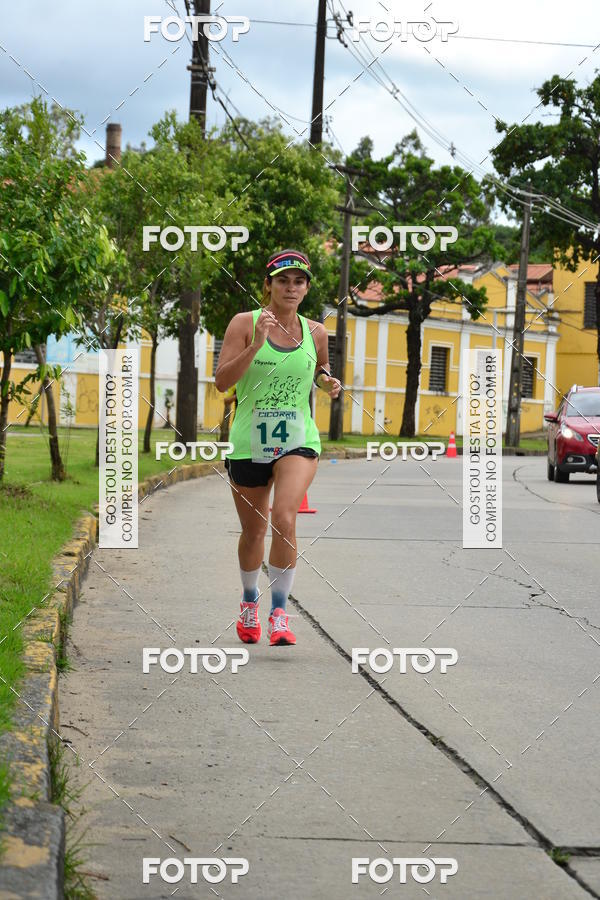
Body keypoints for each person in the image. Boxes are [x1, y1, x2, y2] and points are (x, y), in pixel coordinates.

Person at [214, 249, 341, 647]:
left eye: (299, 281)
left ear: (306, 288)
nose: (291, 287)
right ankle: (250, 600)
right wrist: (256, 345)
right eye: (283, 280)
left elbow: (319, 370)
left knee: (284, 517)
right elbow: (222, 382)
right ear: (268, 285)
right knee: (253, 533)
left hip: (298, 440)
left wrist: (327, 383)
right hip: (248, 441)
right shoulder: (243, 324)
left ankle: (280, 613)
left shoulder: (316, 332)